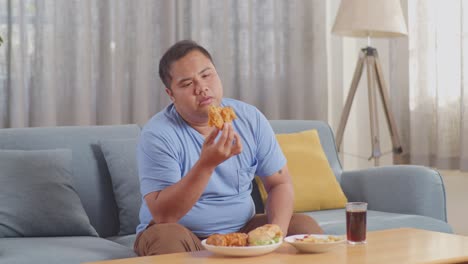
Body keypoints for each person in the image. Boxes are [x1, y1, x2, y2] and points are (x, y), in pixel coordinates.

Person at [134, 40, 323, 256]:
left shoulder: (250, 119)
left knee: (304, 227)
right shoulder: (158, 135)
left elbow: (279, 183)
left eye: (207, 75)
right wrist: (206, 164)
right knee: (166, 237)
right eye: (187, 84)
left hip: (241, 230)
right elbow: (164, 216)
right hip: (183, 233)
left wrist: (275, 233)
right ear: (171, 94)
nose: (201, 88)